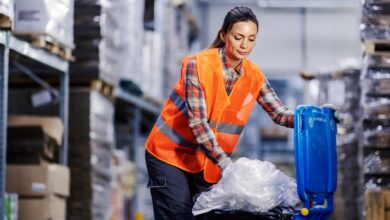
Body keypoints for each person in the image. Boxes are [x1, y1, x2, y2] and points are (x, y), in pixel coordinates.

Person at [145, 6, 295, 220]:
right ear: (224, 36)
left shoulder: (253, 75)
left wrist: (312, 117)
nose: (245, 45)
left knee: (207, 215)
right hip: (170, 155)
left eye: (251, 39)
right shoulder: (197, 65)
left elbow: (279, 114)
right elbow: (197, 123)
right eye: (238, 37)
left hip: (206, 163)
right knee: (178, 215)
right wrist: (225, 163)